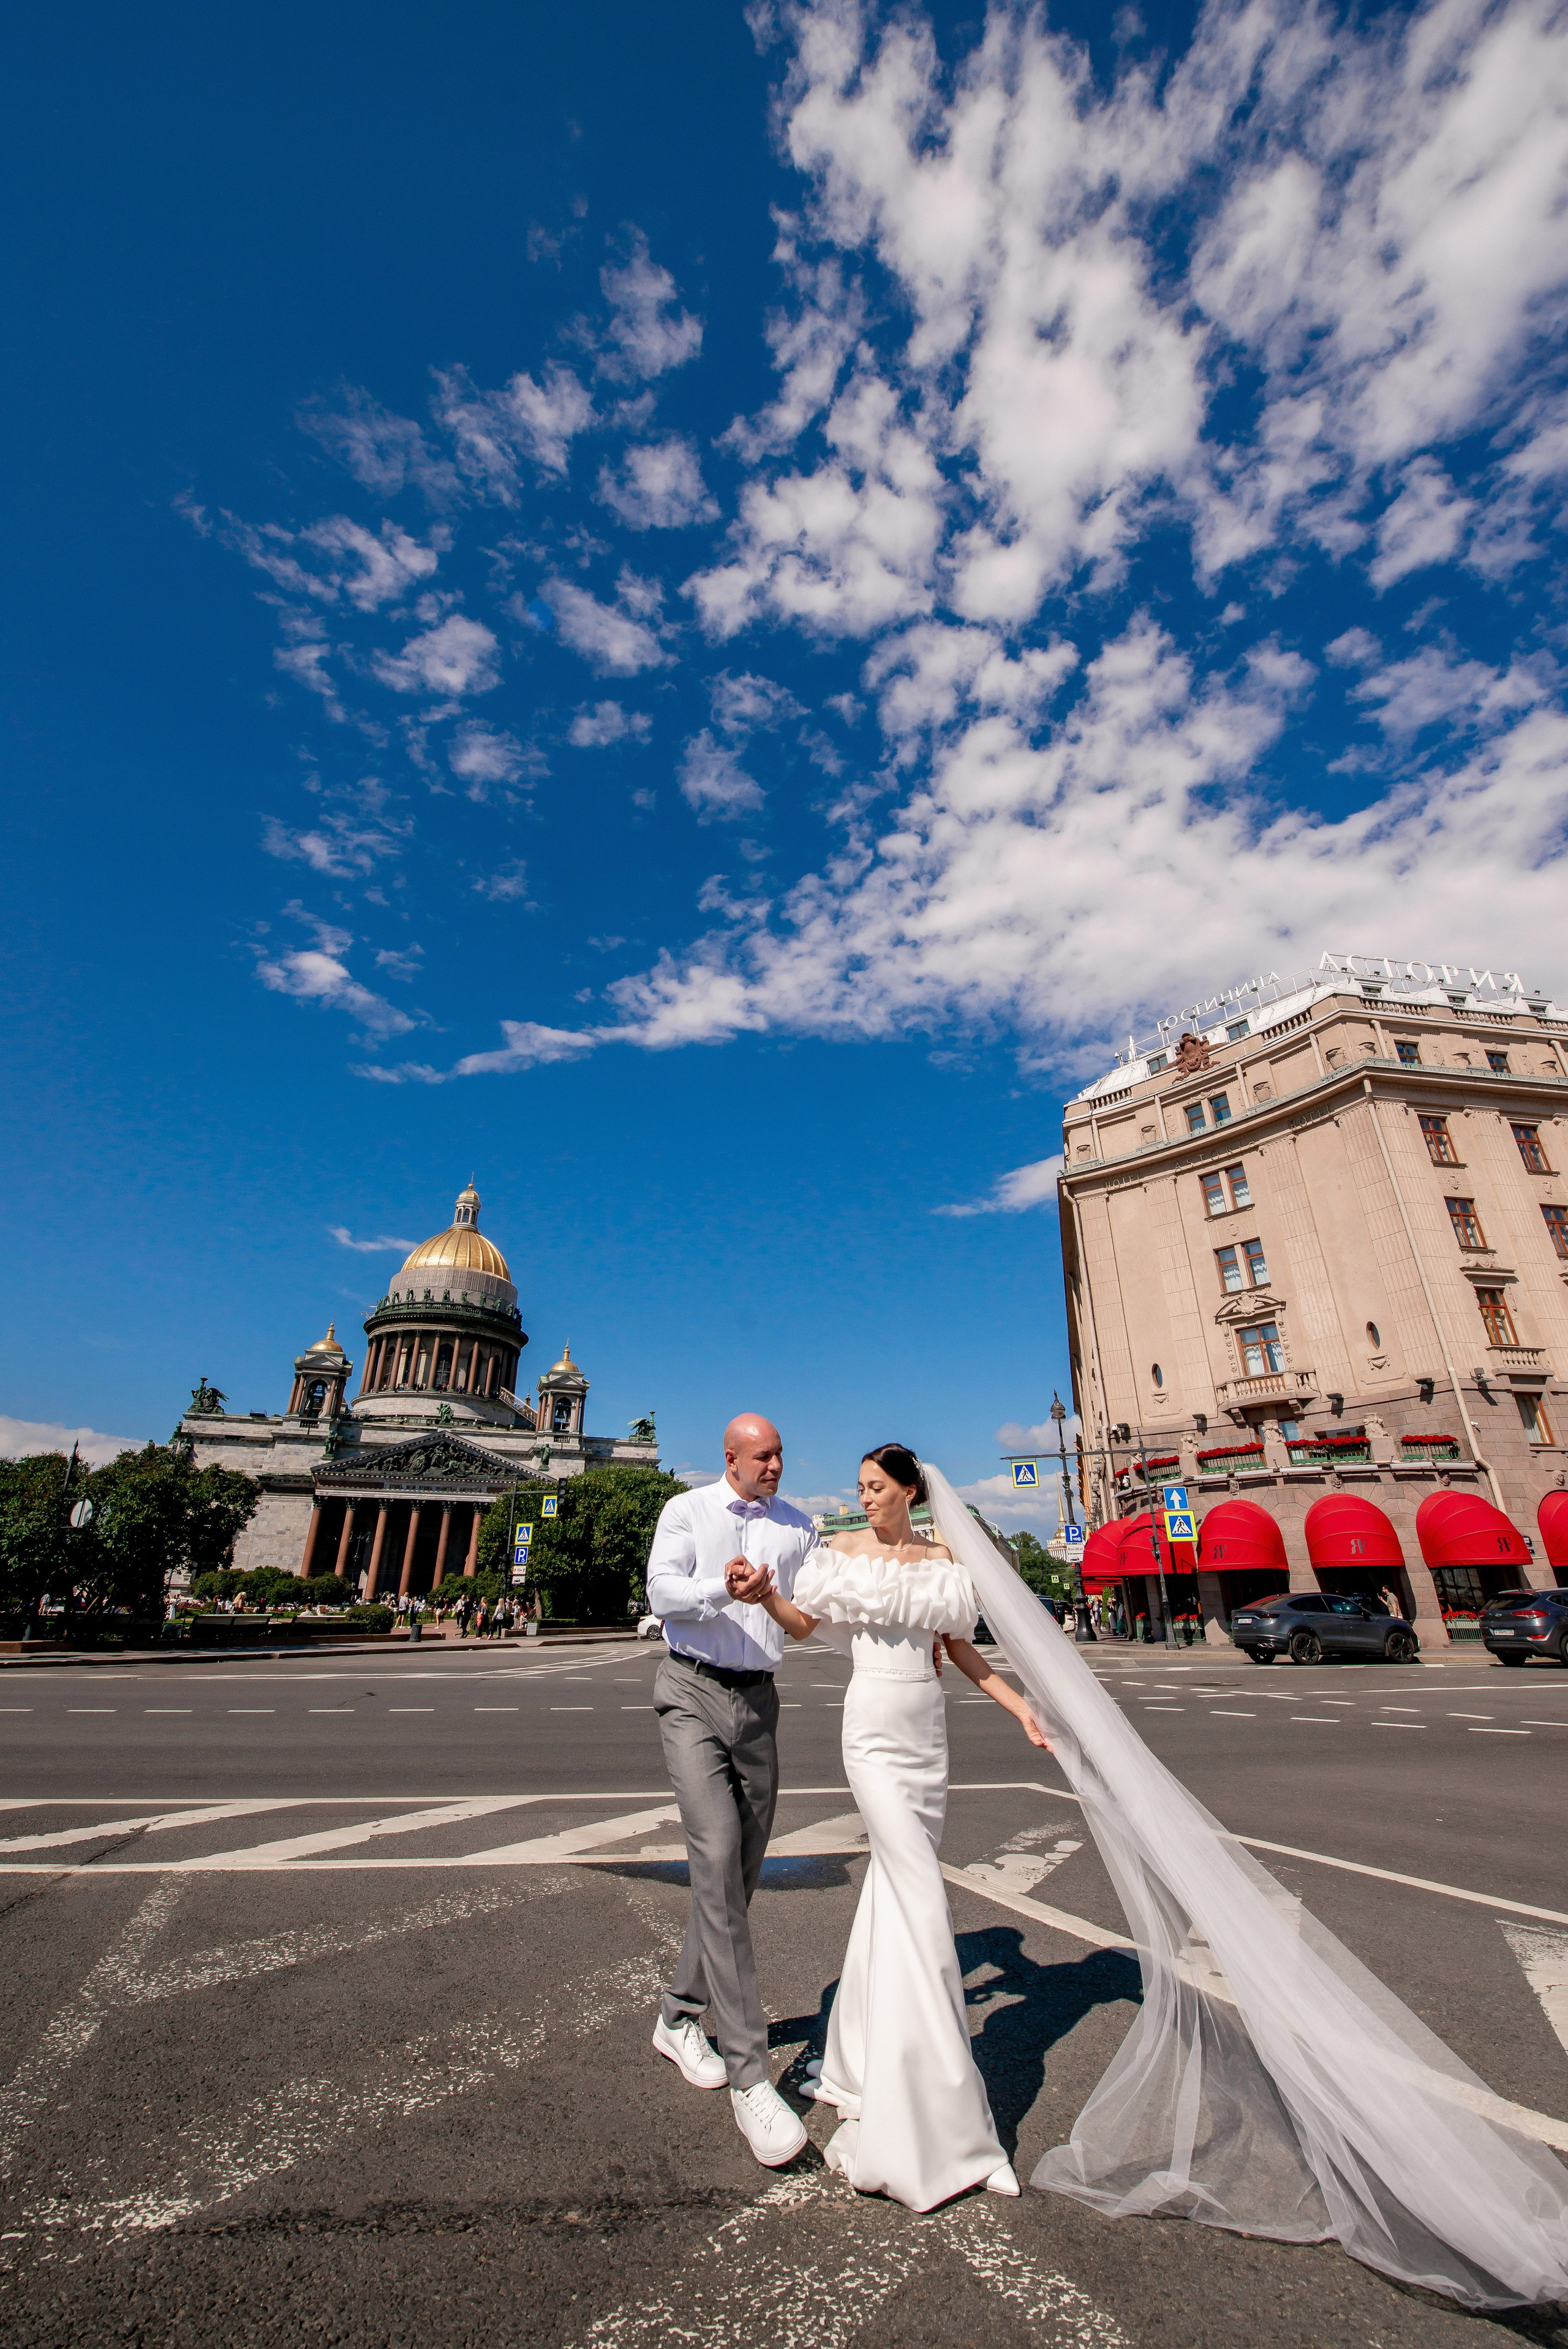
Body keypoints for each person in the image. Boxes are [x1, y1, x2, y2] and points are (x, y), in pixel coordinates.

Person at [741, 1442, 1042, 2209]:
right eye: (860, 1487)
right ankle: (955, 2125)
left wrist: (1019, 1709)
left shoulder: (942, 1558)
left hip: (926, 1741)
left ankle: (860, 2056)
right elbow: (803, 1626)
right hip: (871, 1734)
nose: (865, 1497)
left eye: (876, 1487)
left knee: (892, 1895)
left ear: (910, 1490)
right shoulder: (842, 1550)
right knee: (923, 1904)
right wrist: (762, 1595)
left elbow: (959, 1650)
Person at [643, 1414, 819, 2169]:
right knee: (714, 1856)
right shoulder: (688, 1509)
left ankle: (677, 2015)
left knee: (738, 1873)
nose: (777, 1464)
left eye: (781, 1452)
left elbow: (808, 1618)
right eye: (764, 1454)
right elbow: (663, 1590)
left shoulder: (799, 1526)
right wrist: (727, 1584)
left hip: (759, 1704)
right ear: (732, 1458)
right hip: (689, 1691)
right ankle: (750, 2075)